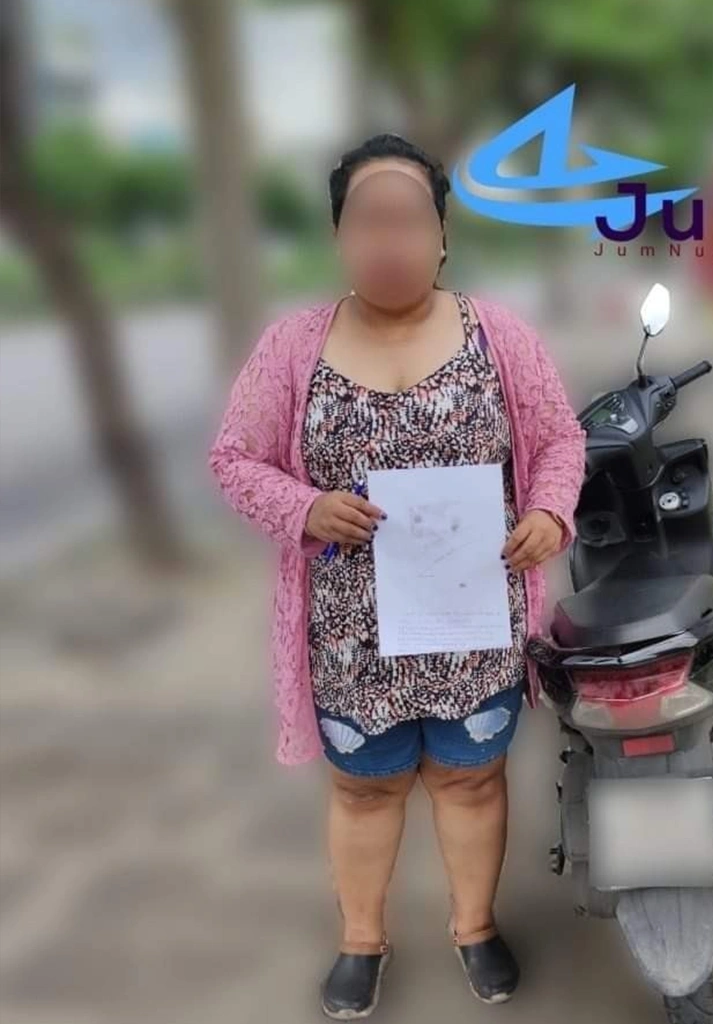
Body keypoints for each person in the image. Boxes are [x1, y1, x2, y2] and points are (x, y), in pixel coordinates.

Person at [208, 133, 586, 1019]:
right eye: (368, 220)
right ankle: (361, 941)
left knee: (471, 780)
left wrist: (547, 512)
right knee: (364, 789)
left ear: (442, 234)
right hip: (351, 637)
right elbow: (234, 459)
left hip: (471, 621)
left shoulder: (500, 336)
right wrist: (304, 507)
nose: (390, 239)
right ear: (339, 236)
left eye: (409, 219)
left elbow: (560, 438)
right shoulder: (292, 347)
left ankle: (475, 926)